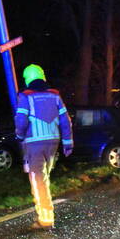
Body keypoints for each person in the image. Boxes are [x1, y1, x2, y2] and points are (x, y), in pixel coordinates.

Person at [14, 64, 73, 230]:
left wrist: (19, 135)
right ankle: (46, 215)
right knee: (44, 177)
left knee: (38, 180)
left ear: (27, 79)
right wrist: (68, 143)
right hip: (53, 142)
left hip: (34, 142)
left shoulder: (26, 97)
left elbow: (21, 120)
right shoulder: (55, 96)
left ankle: (45, 219)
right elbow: (65, 121)